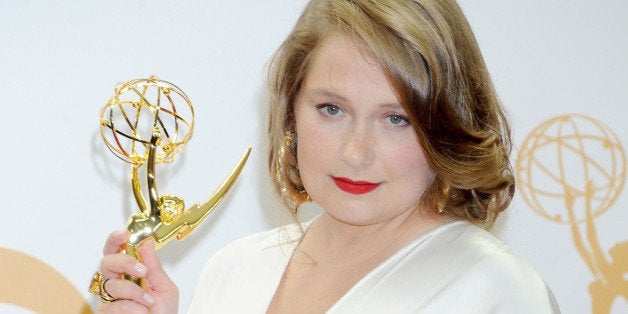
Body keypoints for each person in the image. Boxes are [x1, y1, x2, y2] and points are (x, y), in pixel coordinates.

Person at [91, 0, 560, 313]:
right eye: (331, 109)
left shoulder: (492, 291)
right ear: (292, 111)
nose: (356, 153)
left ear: (445, 124)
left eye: (396, 118)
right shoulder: (234, 270)